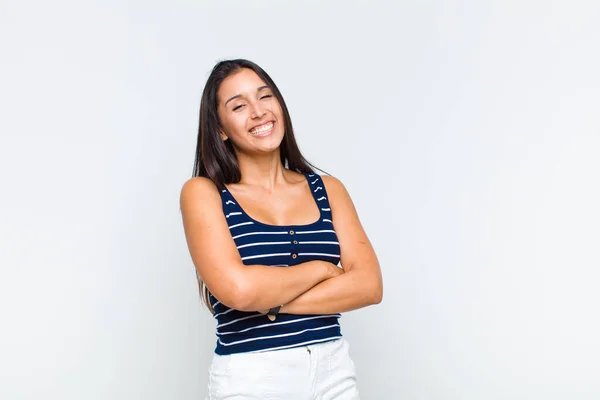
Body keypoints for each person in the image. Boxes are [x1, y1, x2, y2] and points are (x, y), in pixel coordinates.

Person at [180, 59, 383, 400]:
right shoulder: (204, 193)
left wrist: (270, 302)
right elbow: (239, 292)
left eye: (265, 97)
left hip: (333, 369)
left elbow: (369, 285)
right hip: (253, 376)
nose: (259, 112)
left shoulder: (328, 189)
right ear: (220, 129)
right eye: (239, 106)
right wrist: (320, 270)